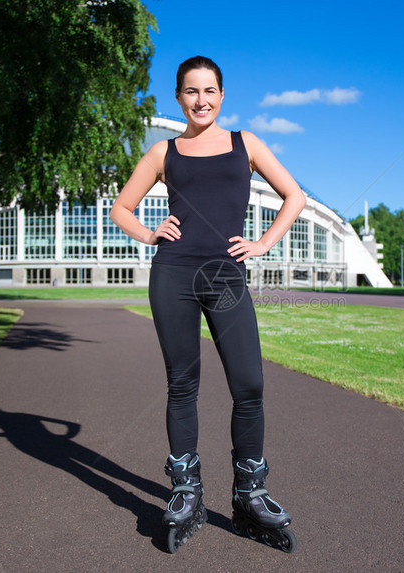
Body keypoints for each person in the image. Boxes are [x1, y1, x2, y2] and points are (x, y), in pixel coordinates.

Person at [109, 55, 305, 552]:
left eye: (210, 91)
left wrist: (261, 244)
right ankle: (186, 489)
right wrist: (151, 233)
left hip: (225, 275)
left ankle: (250, 493)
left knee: (250, 383)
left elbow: (294, 197)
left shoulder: (246, 144)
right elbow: (120, 208)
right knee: (182, 385)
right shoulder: (163, 152)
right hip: (173, 273)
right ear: (179, 97)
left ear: (222, 95)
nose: (201, 100)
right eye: (192, 92)